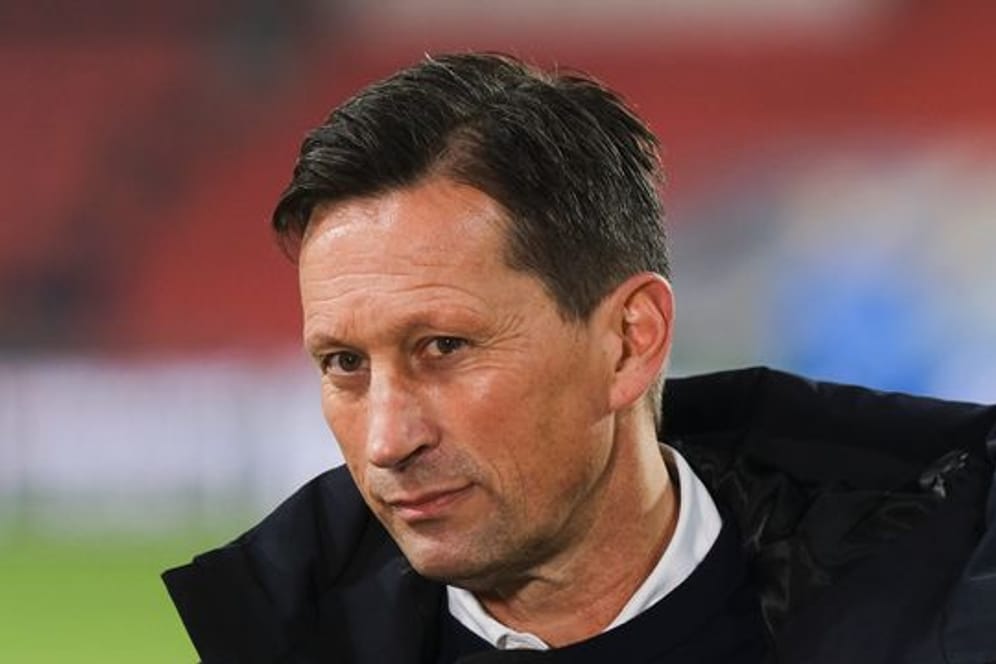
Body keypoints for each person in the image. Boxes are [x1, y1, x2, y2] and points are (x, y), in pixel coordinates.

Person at [163, 53, 996, 663]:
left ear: (630, 341)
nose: (387, 441)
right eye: (345, 364)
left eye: (444, 348)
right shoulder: (287, 633)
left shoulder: (941, 605)